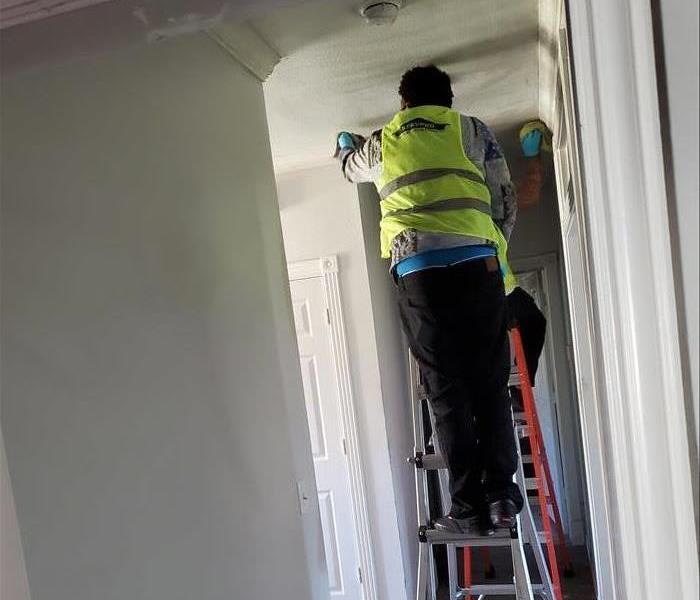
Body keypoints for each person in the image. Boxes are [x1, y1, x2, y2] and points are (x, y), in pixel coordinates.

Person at [335, 65, 523, 534]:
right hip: (478, 265)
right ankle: (501, 496)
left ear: (404, 103)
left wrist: (344, 147)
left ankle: (467, 509)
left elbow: (348, 169)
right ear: (448, 101)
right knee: (489, 384)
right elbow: (506, 198)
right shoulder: (472, 130)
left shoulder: (384, 141)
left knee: (445, 391)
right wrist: (489, 244)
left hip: (420, 273)